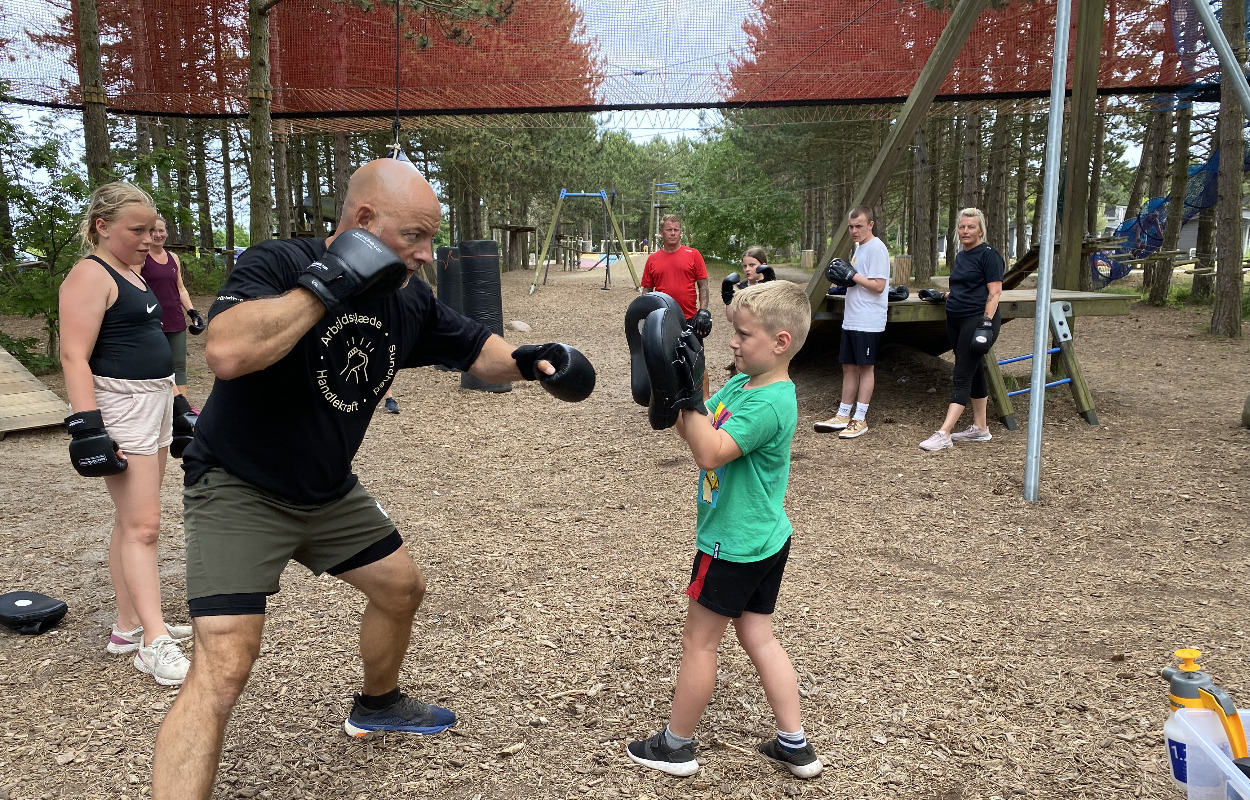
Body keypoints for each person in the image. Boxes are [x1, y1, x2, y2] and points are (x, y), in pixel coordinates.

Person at [150, 159, 595, 800]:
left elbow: (477, 349)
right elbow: (226, 351)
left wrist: (532, 362)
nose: (427, 253)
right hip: (238, 487)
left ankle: (378, 704)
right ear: (363, 220)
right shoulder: (280, 262)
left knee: (400, 588)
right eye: (415, 236)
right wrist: (326, 285)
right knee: (223, 667)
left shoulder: (407, 297)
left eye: (431, 238)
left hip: (328, 491)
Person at [627, 281, 823, 780]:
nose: (733, 342)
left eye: (744, 334)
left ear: (780, 342)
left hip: (732, 545)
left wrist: (688, 395)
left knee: (700, 642)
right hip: (763, 538)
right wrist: (684, 383)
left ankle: (676, 746)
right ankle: (794, 744)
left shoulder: (770, 403)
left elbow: (709, 452)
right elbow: (696, 426)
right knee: (758, 636)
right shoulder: (743, 386)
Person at [58, 183, 192, 686]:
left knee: (130, 521)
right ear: (102, 226)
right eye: (137, 230)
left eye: (151, 229)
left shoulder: (132, 272)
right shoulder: (89, 275)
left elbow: (148, 338)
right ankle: (153, 643)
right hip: (122, 404)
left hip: (153, 398)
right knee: (144, 528)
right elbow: (73, 356)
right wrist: (87, 426)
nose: (149, 238)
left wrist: (176, 400)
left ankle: (128, 626)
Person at [918, 207, 1003, 451]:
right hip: (955, 318)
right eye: (962, 227)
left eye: (971, 227)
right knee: (973, 370)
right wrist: (942, 296)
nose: (966, 231)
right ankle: (980, 428)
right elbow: (965, 288)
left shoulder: (989, 255)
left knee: (962, 374)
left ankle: (944, 433)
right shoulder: (962, 255)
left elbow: (995, 291)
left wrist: (986, 322)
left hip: (976, 319)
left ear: (981, 230)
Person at [813, 206, 890, 439]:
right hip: (852, 317)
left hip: (869, 319)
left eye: (859, 226)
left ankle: (860, 418)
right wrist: (846, 281)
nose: (854, 231)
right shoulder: (860, 248)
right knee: (848, 366)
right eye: (851, 227)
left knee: (865, 367)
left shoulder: (877, 248)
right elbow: (857, 282)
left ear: (871, 225)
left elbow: (879, 286)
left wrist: (852, 275)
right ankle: (843, 414)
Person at [642, 214, 711, 399]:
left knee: (697, 361)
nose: (673, 233)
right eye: (669, 230)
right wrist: (645, 316)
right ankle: (672, 402)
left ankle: (704, 401)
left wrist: (703, 311)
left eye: (676, 230)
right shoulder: (652, 259)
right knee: (666, 362)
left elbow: (703, 285)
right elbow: (647, 291)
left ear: (680, 232)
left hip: (690, 318)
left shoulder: (693, 254)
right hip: (663, 320)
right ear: (661, 232)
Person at [139, 216, 204, 408]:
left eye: (161, 230)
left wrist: (192, 312)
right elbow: (135, 287)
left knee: (179, 365)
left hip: (175, 318)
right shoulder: (141, 257)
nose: (158, 235)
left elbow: (181, 289)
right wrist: (145, 315)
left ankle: (182, 409)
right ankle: (156, 406)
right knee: (155, 364)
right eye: (153, 231)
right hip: (151, 321)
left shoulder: (173, 258)